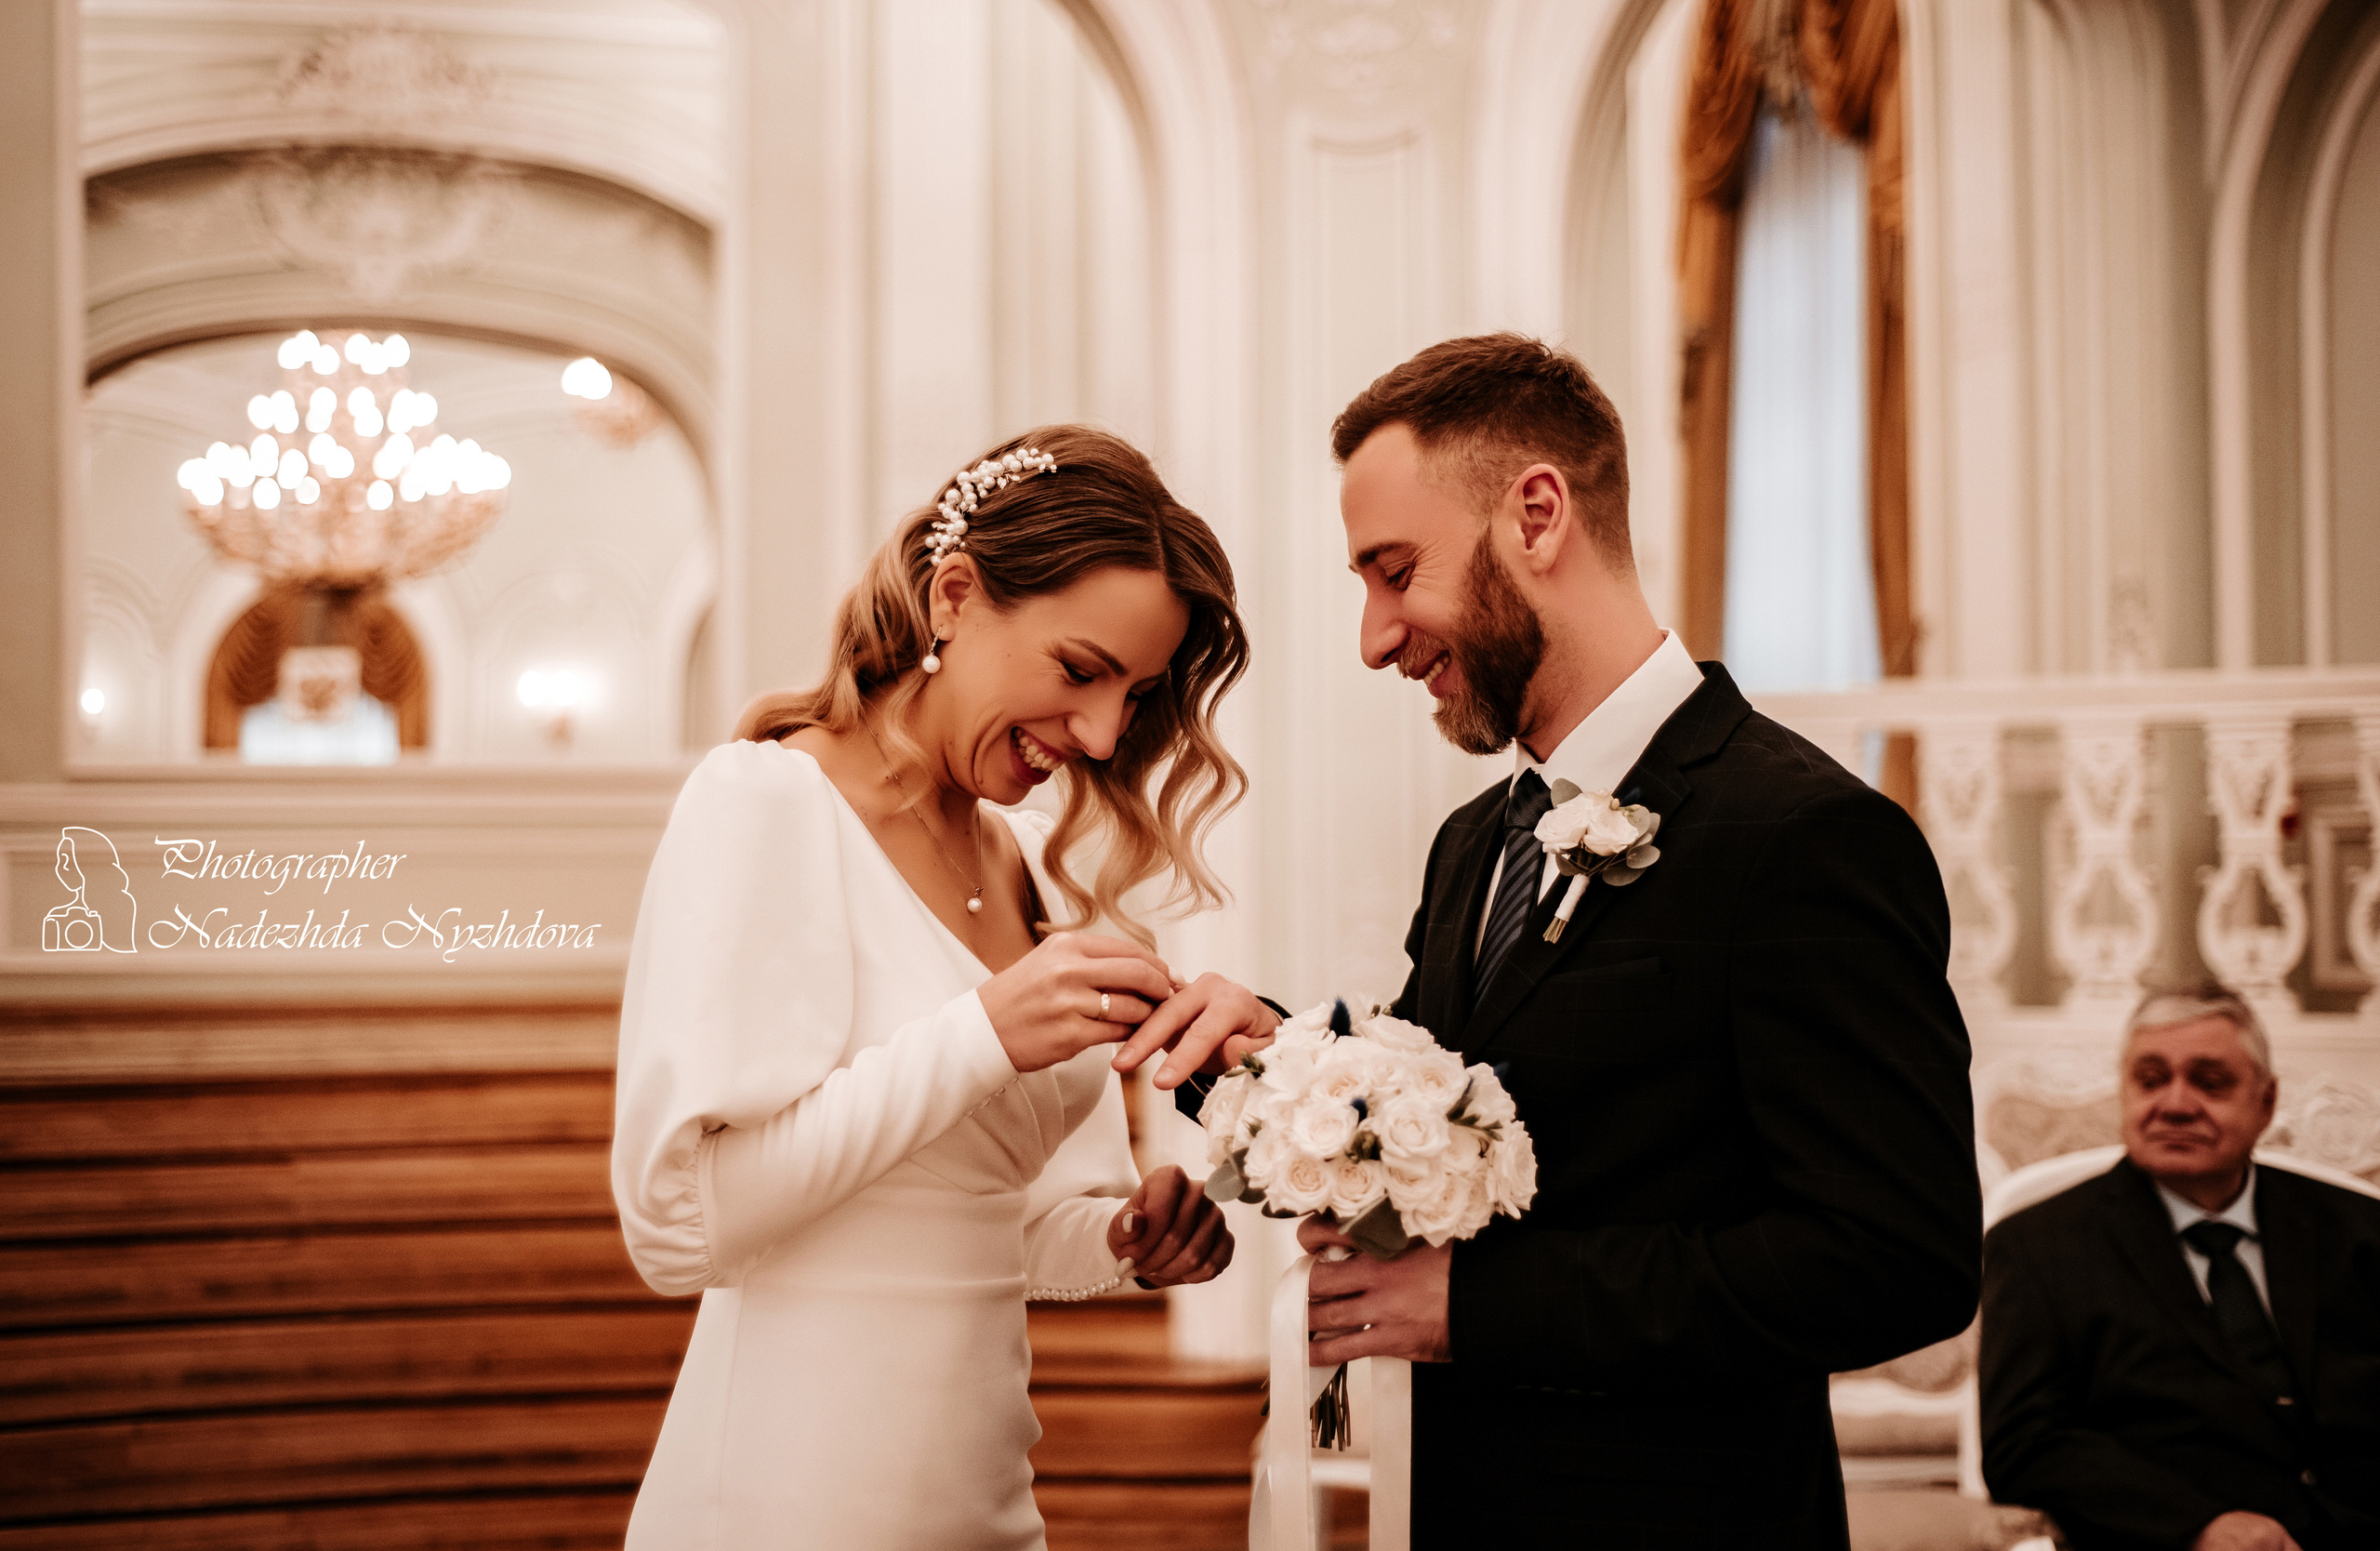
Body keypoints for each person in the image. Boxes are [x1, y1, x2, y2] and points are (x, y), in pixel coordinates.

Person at [1290, 334, 1982, 1546]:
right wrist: (1270, 1083)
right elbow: (1460, 1128)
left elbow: (1896, 1255)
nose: (1375, 635)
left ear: (1539, 514)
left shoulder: (1803, 833)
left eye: (1395, 571)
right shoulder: (1472, 846)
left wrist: (1483, 1309)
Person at [611, 424, 1282, 1549]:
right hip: (793, 1497)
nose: (1104, 731)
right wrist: (980, 1033)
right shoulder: (766, 802)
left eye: (1137, 692)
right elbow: (680, 1227)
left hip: (985, 1496)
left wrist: (1123, 1234)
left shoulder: (1013, 856)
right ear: (955, 596)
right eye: (1080, 670)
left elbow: (999, 1226)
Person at [1980, 984, 2380, 1550]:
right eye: (2150, 1080)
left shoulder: (2362, 1231)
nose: (2175, 1103)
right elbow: (2022, 1445)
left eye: (2210, 1082)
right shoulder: (2038, 1247)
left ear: (2265, 1104)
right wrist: (2198, 1527)